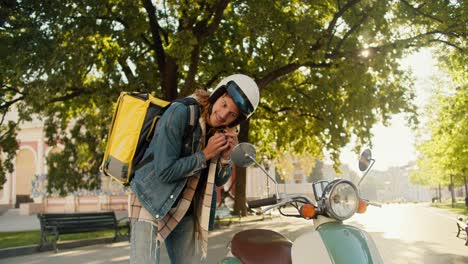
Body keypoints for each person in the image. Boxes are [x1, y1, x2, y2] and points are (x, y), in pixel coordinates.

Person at [128, 74, 260, 264]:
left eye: (231, 114)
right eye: (224, 104)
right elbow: (165, 171)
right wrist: (205, 154)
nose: (223, 115)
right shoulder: (180, 112)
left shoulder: (221, 132)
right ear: (217, 95)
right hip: (150, 197)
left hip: (185, 204)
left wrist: (225, 157)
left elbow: (219, 181)